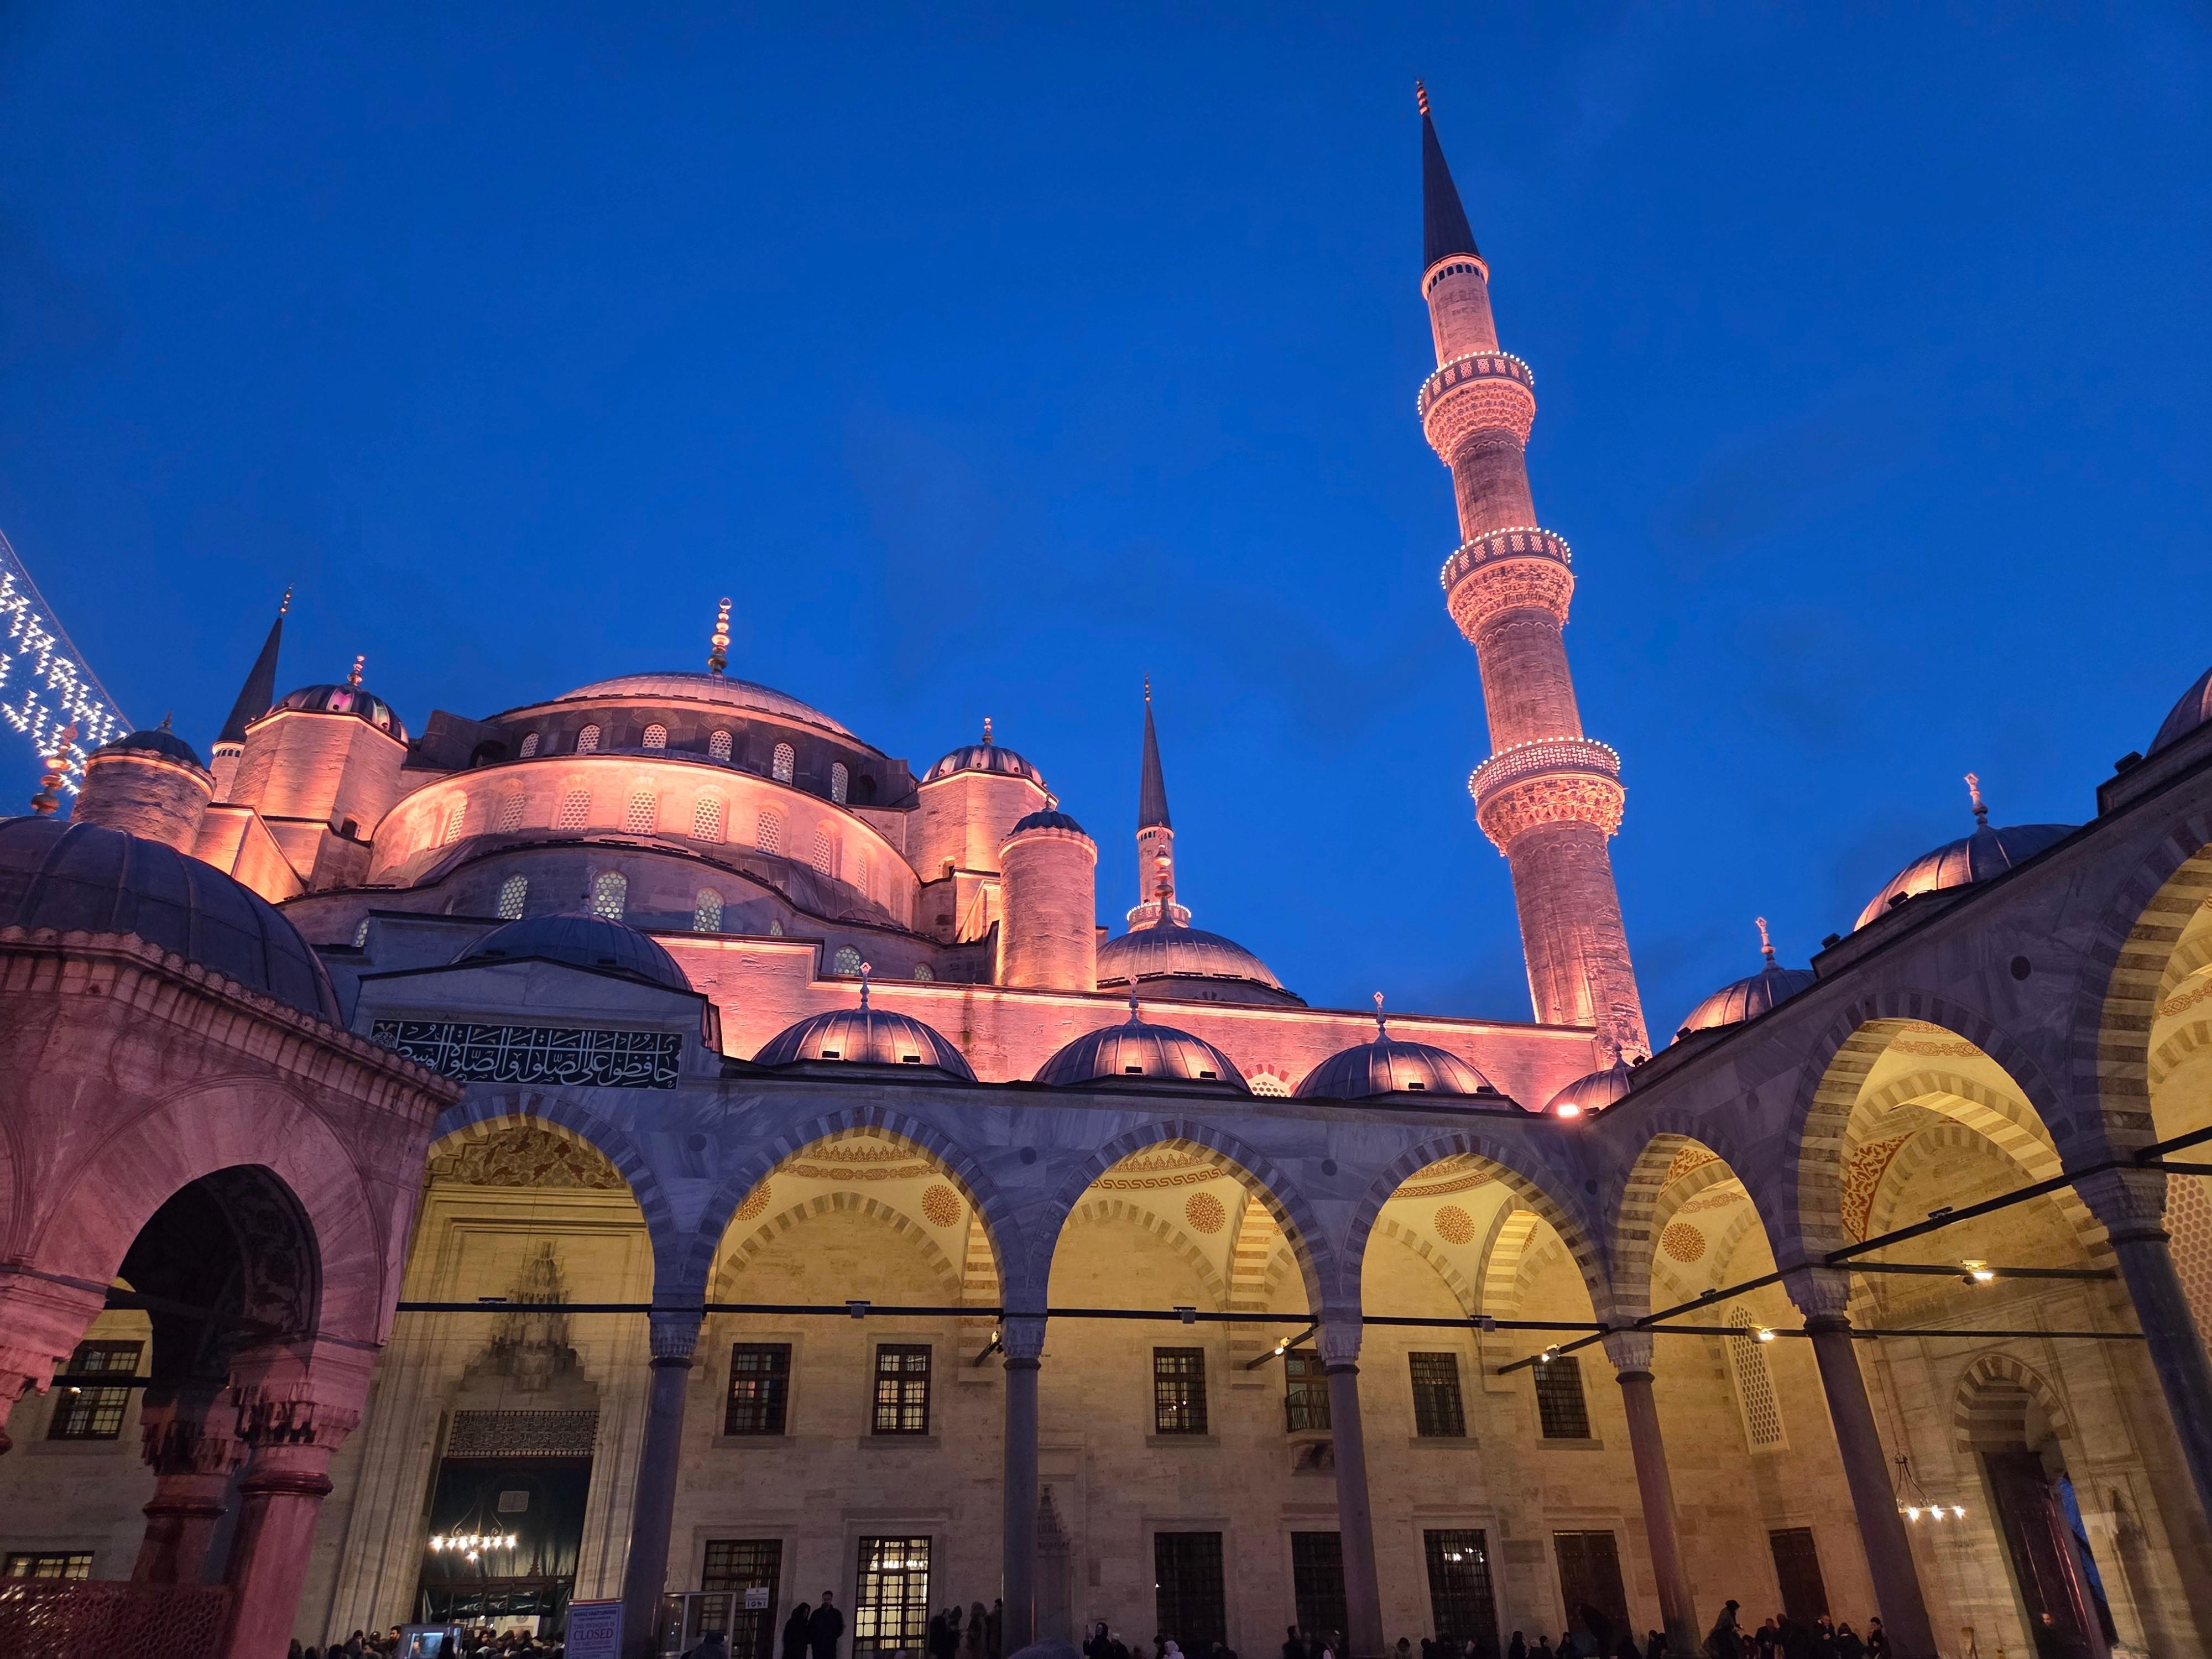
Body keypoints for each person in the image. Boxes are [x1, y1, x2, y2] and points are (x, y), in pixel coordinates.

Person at [811, 1592, 846, 1659]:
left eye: (828, 1599)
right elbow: (811, 1629)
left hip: (830, 1646)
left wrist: (832, 1637)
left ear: (831, 1600)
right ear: (822, 1599)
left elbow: (840, 1628)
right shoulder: (816, 1614)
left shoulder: (836, 1614)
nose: (826, 1601)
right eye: (825, 1599)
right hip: (819, 1647)